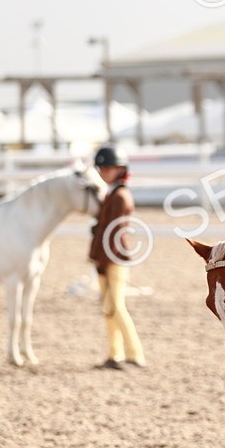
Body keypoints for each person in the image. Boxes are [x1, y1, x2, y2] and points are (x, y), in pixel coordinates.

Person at [88, 145, 145, 370]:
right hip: (107, 257)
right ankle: (115, 353)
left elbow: (113, 233)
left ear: (120, 169)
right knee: (109, 308)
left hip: (113, 258)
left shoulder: (119, 196)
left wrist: (102, 261)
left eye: (108, 168)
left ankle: (134, 353)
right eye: (102, 168)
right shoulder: (113, 193)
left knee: (117, 306)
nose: (103, 172)